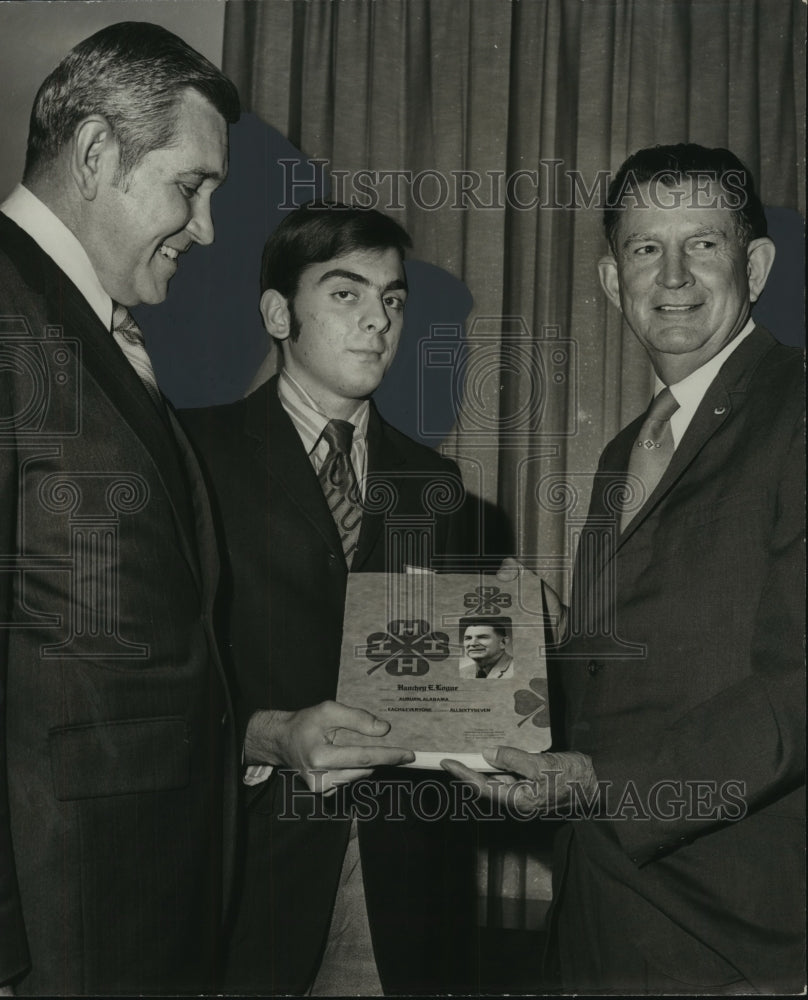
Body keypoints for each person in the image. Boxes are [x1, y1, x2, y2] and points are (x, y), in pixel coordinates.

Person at [443, 144, 805, 994]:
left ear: (754, 263)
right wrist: (526, 653)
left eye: (703, 244)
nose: (672, 276)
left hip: (734, 930)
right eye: (646, 248)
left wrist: (598, 785)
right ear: (612, 279)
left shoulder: (796, 410)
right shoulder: (624, 452)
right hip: (601, 912)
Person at [181, 202, 479, 995]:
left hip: (397, 884)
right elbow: (161, 675)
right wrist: (265, 737)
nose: (378, 320)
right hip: (244, 872)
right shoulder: (192, 455)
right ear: (279, 312)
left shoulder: (435, 487)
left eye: (393, 299)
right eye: (346, 294)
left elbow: (446, 691)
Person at [0, 23, 240, 996]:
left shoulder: (83, 321)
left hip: (129, 898)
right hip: (60, 923)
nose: (209, 229)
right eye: (192, 187)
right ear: (97, 154)